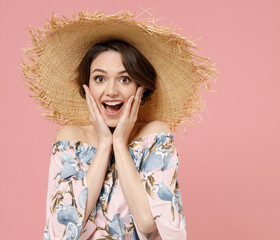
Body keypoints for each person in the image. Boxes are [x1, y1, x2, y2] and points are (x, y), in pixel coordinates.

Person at [20, 10, 217, 240]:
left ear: (140, 88)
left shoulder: (155, 137)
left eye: (124, 79)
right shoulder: (70, 141)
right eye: (100, 79)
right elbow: (62, 232)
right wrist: (105, 144)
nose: (111, 91)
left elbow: (146, 223)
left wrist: (120, 144)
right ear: (87, 88)